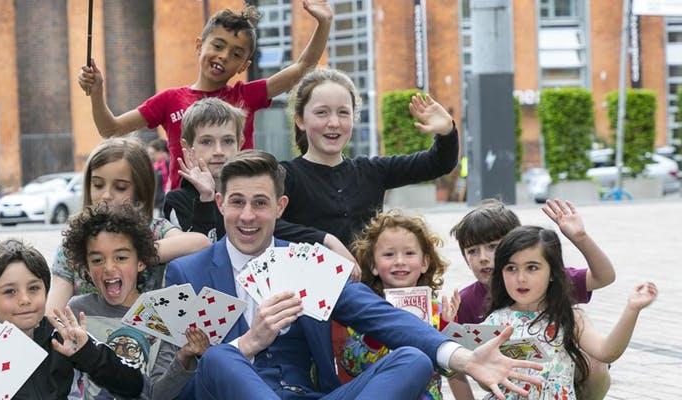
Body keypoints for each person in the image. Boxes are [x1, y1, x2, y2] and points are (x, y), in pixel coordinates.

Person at [161, 150, 542, 400]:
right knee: (219, 359)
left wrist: (463, 358)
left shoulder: (305, 263)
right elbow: (170, 388)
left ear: (280, 207)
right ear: (222, 203)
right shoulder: (187, 272)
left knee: (413, 360)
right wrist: (248, 343)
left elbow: (380, 315)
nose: (247, 216)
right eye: (238, 202)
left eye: (260, 203)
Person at [77, 1, 334, 190]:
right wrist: (97, 92)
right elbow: (110, 129)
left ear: (244, 66)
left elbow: (302, 68)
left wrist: (324, 24)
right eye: (218, 45)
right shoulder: (168, 100)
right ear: (200, 45)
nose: (224, 56)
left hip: (237, 200)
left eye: (236, 54)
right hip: (185, 204)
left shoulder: (246, 95)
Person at [448, 199, 617, 399]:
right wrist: (448, 327)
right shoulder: (466, 300)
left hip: (560, 373)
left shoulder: (548, 280)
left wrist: (580, 238)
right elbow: (454, 363)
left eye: (492, 246)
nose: (482, 257)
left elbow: (604, 276)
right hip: (505, 379)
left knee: (595, 360)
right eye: (472, 251)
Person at [163, 97, 357, 271]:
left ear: (240, 143)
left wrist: (327, 239)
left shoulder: (258, 187)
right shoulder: (178, 200)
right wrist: (206, 199)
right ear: (188, 148)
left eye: (228, 141)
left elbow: (278, 226)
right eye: (207, 142)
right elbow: (198, 259)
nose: (219, 151)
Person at [281, 68, 459, 247]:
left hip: (368, 276)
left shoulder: (371, 171)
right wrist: (323, 239)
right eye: (322, 113)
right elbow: (265, 225)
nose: (334, 123)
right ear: (300, 120)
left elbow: (438, 163)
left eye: (343, 112)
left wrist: (446, 131)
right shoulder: (284, 176)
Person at [481, 225, 657, 399]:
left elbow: (607, 352)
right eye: (511, 268)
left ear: (552, 272)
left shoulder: (569, 317)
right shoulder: (495, 322)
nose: (521, 278)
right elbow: (482, 379)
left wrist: (632, 310)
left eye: (532, 267)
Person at [0, 239, 145, 399]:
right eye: (10, 291)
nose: (25, 300)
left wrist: (88, 354)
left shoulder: (63, 337)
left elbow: (133, 385)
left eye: (33, 288)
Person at [46, 137, 210, 313]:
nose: (106, 195)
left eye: (120, 187)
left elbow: (201, 243)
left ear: (140, 190)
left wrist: (137, 252)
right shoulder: (75, 241)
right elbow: (53, 312)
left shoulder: (156, 229)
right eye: (98, 185)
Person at [63, 202, 202, 399]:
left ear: (141, 261)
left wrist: (184, 357)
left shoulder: (165, 313)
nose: (109, 268)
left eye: (120, 257)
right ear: (85, 267)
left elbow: (157, 395)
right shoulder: (77, 310)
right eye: (97, 260)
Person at [331, 210, 461, 399]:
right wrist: (375, 335)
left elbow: (451, 370)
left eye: (409, 253)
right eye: (389, 254)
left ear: (425, 262)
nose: (400, 262)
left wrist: (447, 327)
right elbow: (352, 364)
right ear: (373, 265)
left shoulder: (437, 311)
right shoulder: (365, 312)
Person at [148, 138, 170, 209]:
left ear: (161, 152)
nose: (151, 157)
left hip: (166, 201)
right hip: (158, 203)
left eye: (153, 154)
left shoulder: (169, 164)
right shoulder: (155, 166)